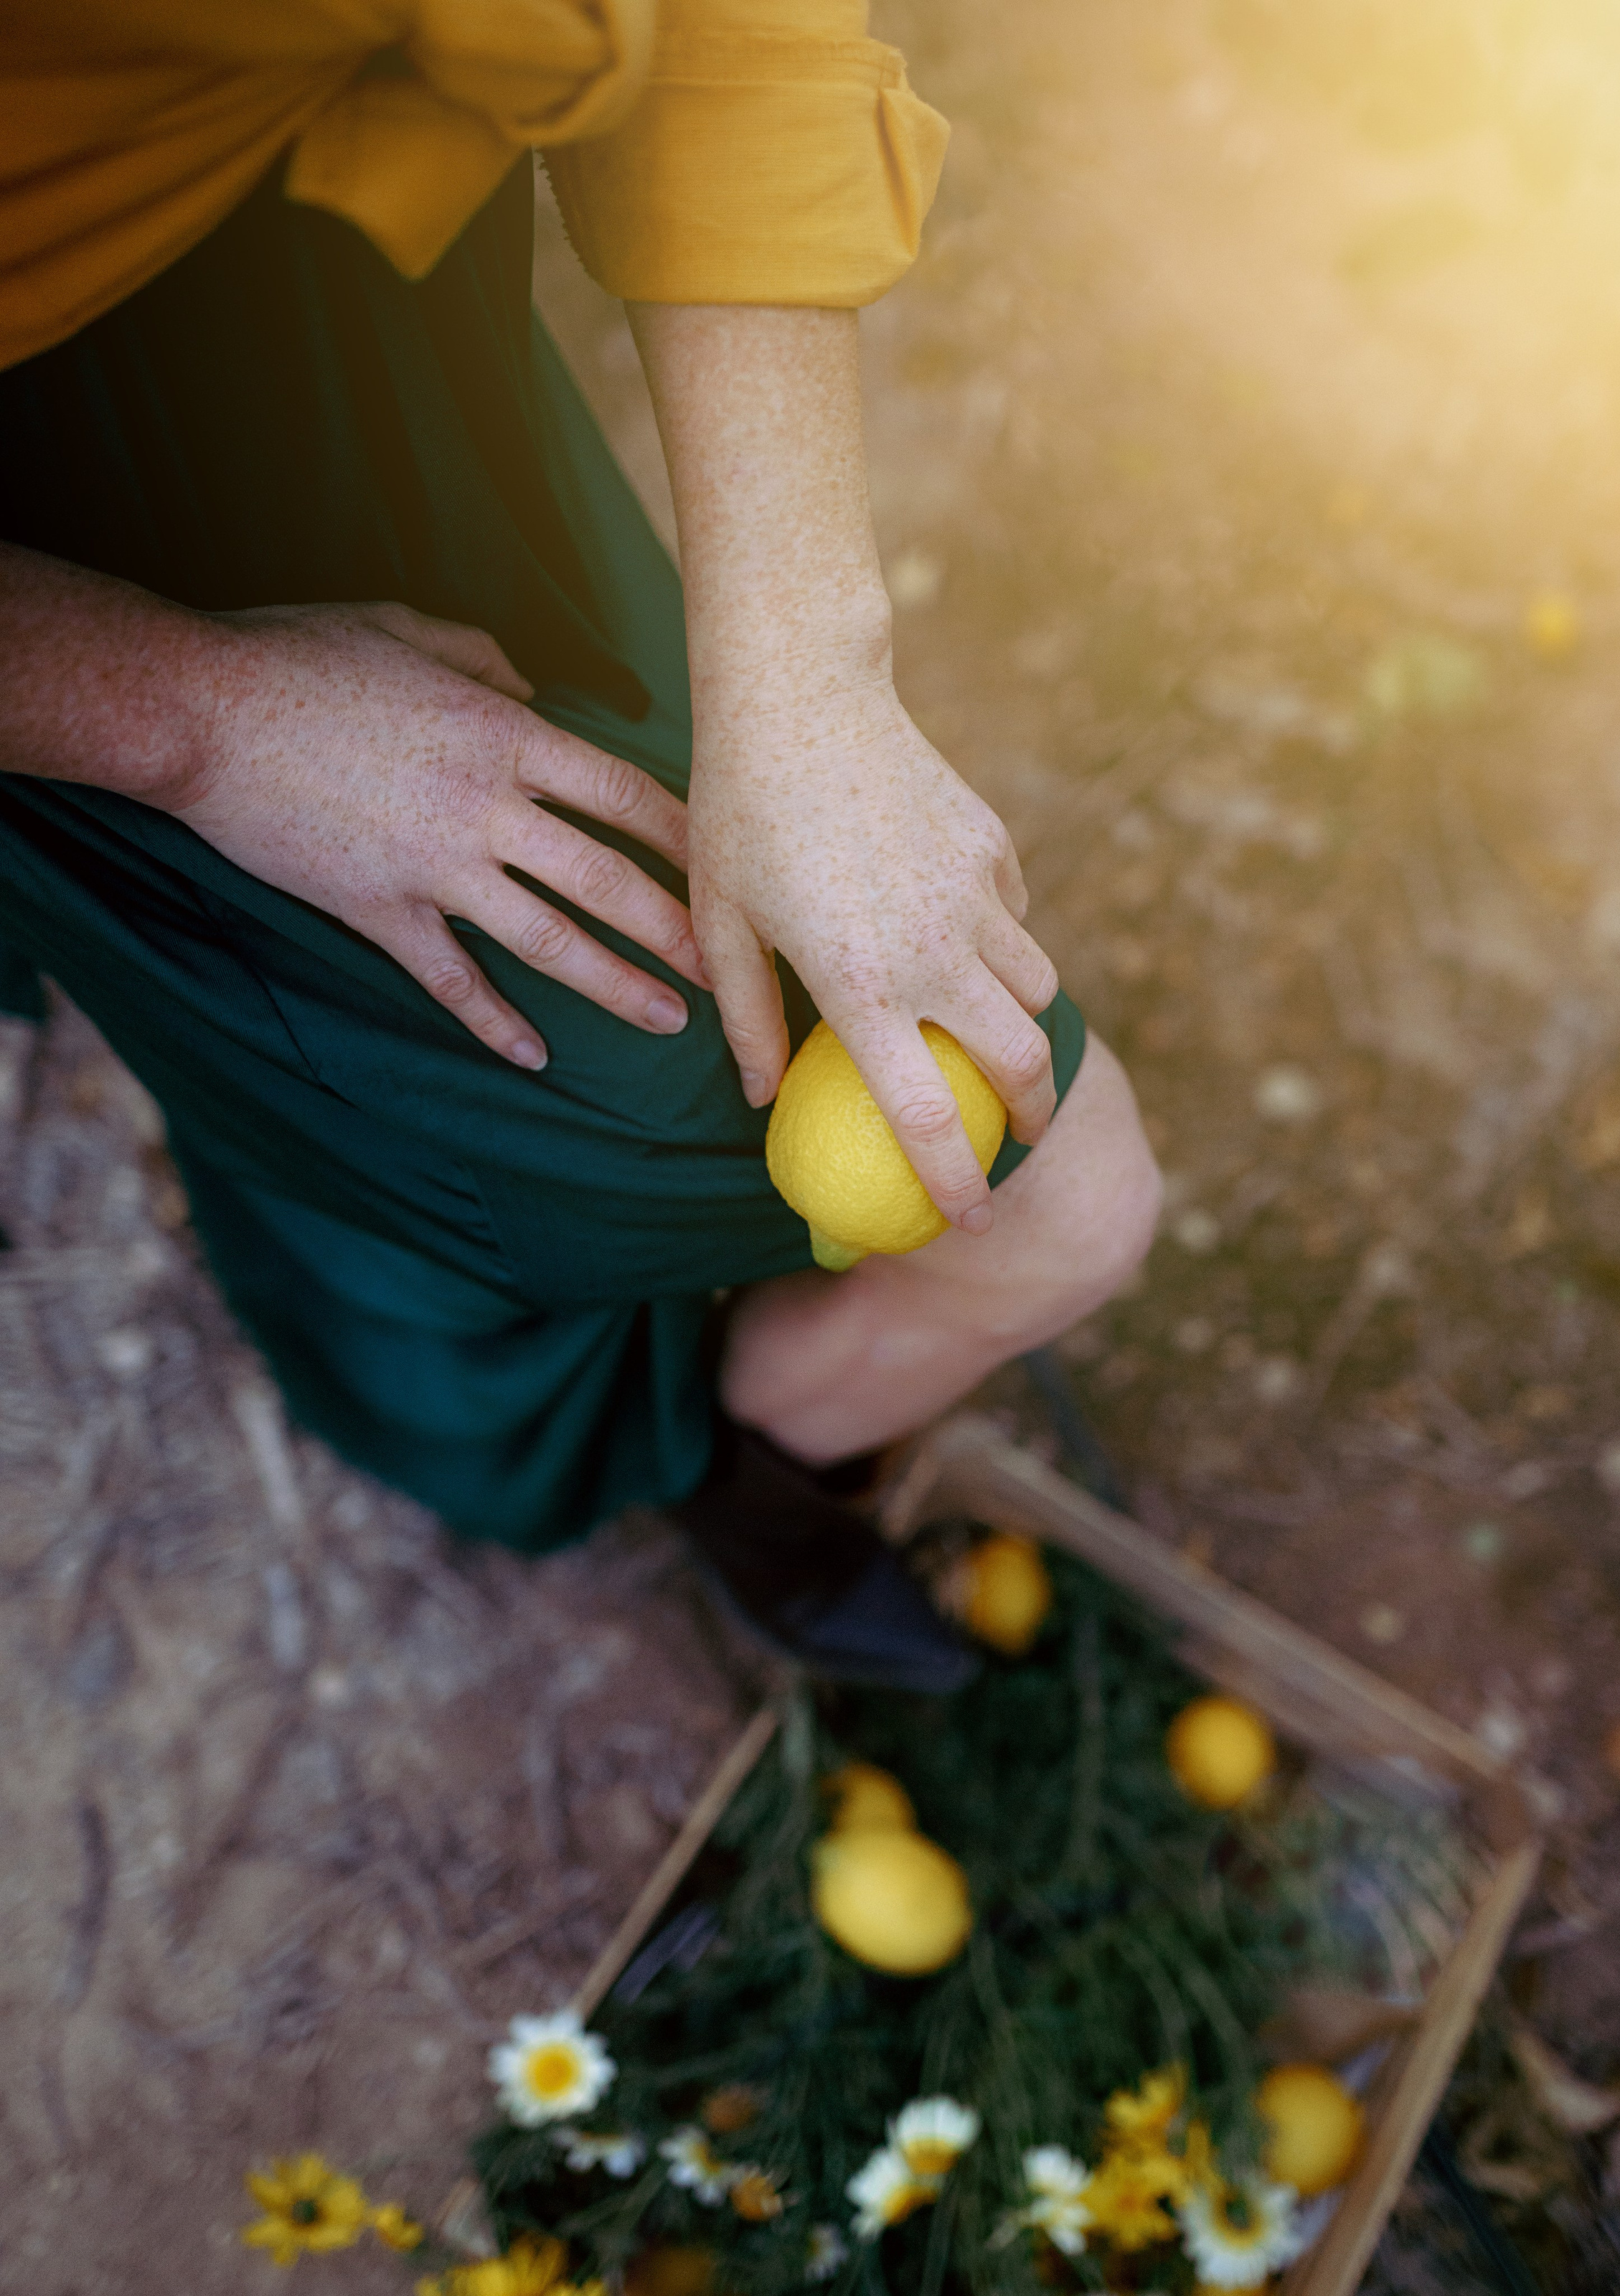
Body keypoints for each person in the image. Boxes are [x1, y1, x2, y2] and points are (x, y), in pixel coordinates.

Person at [0, 0, 1161, 1689]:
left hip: (353, 275)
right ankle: (685, 1469)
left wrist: (806, 668)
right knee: (1068, 1208)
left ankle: (709, 1433)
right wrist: (202, 722)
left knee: (370, 1038)